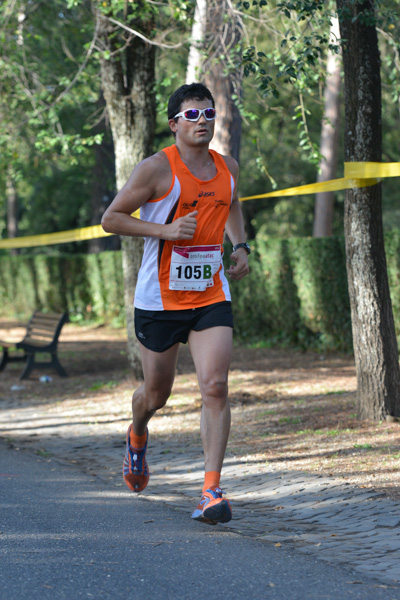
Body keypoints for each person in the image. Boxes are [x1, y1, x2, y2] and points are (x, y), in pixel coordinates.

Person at [101, 82, 250, 525]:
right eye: (192, 116)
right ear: (174, 124)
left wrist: (241, 246)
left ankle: (210, 491)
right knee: (156, 394)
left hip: (209, 294)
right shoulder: (155, 170)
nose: (202, 121)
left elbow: (233, 205)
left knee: (216, 387)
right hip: (160, 299)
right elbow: (111, 219)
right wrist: (165, 231)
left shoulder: (228, 168)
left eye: (209, 114)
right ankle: (138, 433)